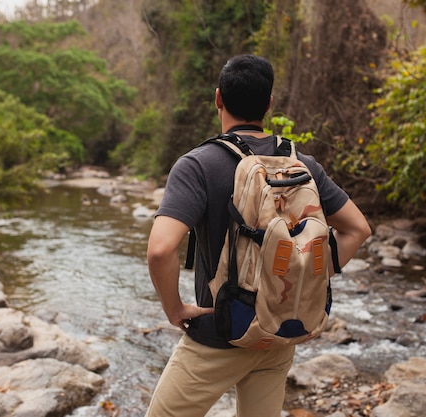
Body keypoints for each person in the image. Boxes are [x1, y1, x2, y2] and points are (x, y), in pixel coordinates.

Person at [146, 54, 372, 417]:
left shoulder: (198, 164)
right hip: (277, 333)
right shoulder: (303, 165)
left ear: (218, 98)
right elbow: (358, 229)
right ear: (269, 104)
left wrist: (175, 309)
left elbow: (160, 251)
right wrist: (303, 282)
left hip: (218, 335)